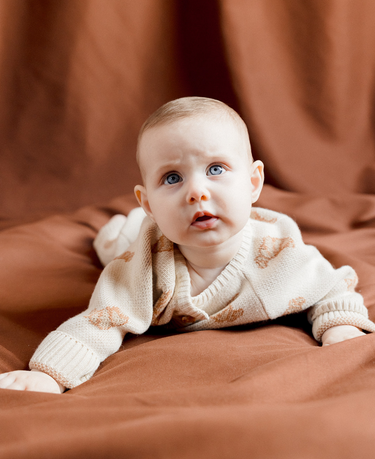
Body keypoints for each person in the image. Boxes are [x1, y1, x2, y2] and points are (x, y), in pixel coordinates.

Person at [1, 96, 374, 394]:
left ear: (253, 182)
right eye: (173, 177)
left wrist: (339, 324)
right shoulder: (143, 264)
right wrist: (49, 374)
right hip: (140, 240)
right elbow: (101, 319)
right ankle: (120, 227)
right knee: (114, 248)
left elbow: (331, 287)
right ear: (148, 202)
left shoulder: (278, 251)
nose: (197, 192)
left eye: (215, 169)